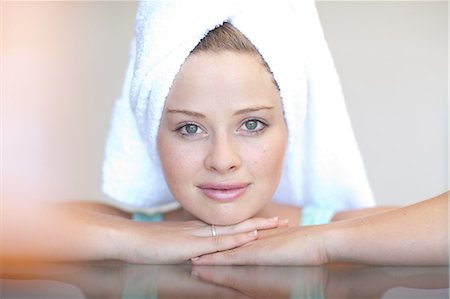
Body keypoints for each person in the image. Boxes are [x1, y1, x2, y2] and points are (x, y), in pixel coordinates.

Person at [3, 0, 447, 265]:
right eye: (190, 127)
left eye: (252, 124)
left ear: (289, 127)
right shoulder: (119, 233)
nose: (223, 159)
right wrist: (130, 240)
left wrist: (322, 245)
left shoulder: (335, 233)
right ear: (151, 133)